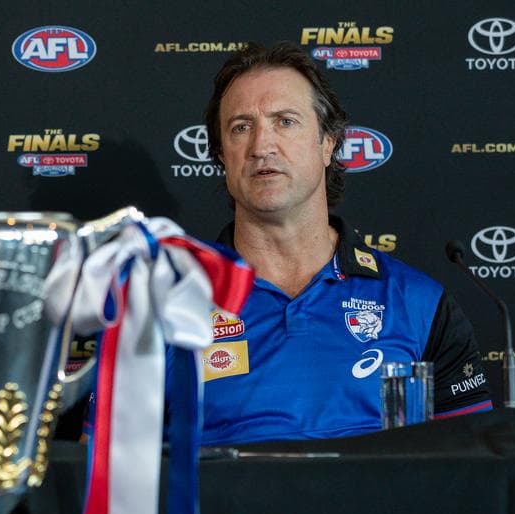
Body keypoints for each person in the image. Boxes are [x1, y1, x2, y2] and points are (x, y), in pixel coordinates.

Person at [192, 42, 491, 445]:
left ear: (328, 142)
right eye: (241, 127)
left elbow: (470, 467)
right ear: (221, 155)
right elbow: (109, 476)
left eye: (285, 122)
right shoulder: (164, 306)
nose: (261, 146)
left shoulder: (418, 304)